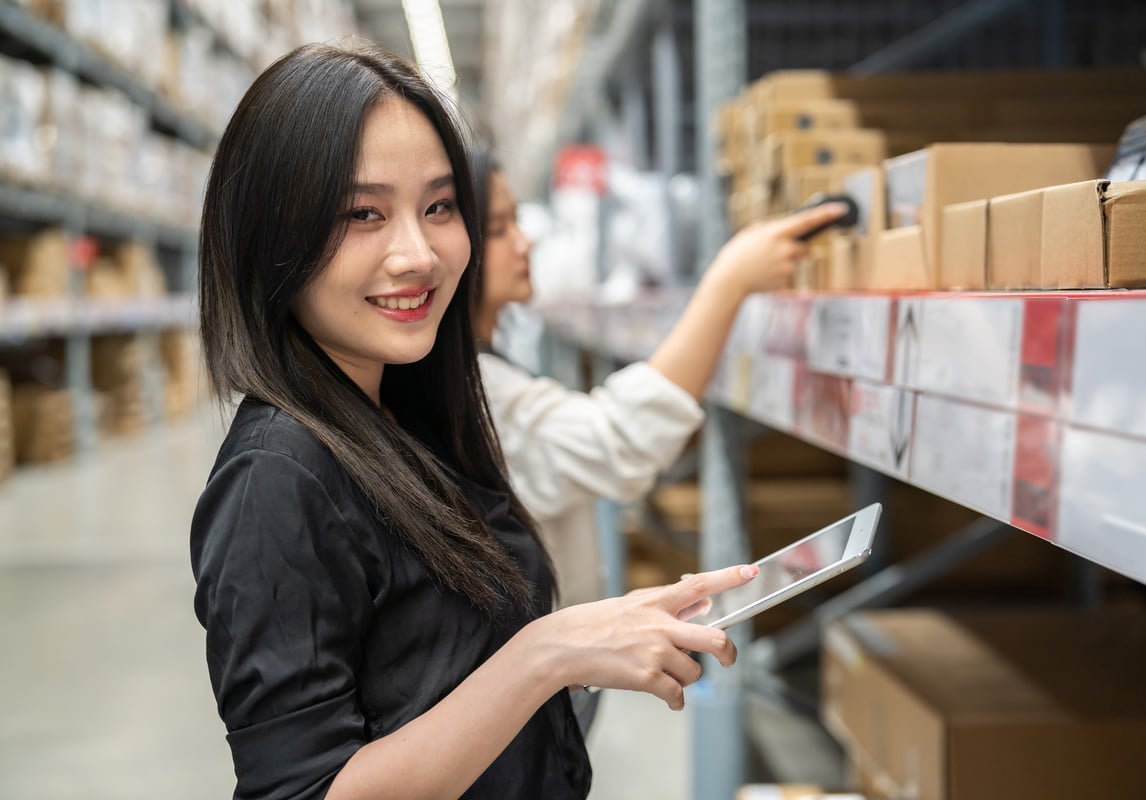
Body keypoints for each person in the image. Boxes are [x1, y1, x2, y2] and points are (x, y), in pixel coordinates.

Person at [189, 43, 761, 800]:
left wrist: (592, 635)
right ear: (271, 234)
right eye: (362, 213)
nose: (418, 254)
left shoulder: (411, 413)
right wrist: (547, 655)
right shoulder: (278, 478)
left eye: (439, 207)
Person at [470, 144, 849, 609]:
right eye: (497, 229)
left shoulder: (486, 371)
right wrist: (727, 284)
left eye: (517, 222)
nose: (523, 242)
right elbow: (619, 439)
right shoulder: (476, 392)